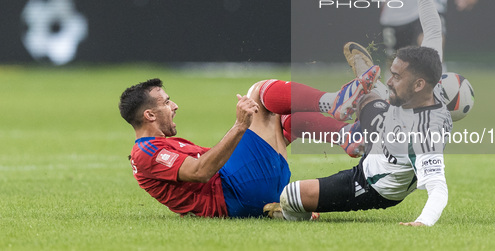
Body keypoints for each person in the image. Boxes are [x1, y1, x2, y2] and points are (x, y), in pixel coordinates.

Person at [266, 0, 453, 227]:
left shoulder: (426, 132)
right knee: (366, 96)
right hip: (385, 129)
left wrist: (422, 223)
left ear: (418, 84)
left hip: (371, 182)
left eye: (397, 77)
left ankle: (303, 208)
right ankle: (354, 131)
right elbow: (433, 29)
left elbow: (438, 188)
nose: (391, 79)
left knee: (290, 195)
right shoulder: (427, 73)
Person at [119, 67, 380, 218]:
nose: (174, 106)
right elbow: (200, 173)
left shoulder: (157, 147)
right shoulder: (146, 152)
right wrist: (240, 125)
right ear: (149, 115)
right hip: (235, 193)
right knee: (259, 92)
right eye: (166, 102)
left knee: (283, 118)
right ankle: (334, 102)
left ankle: (347, 135)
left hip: (245, 195)